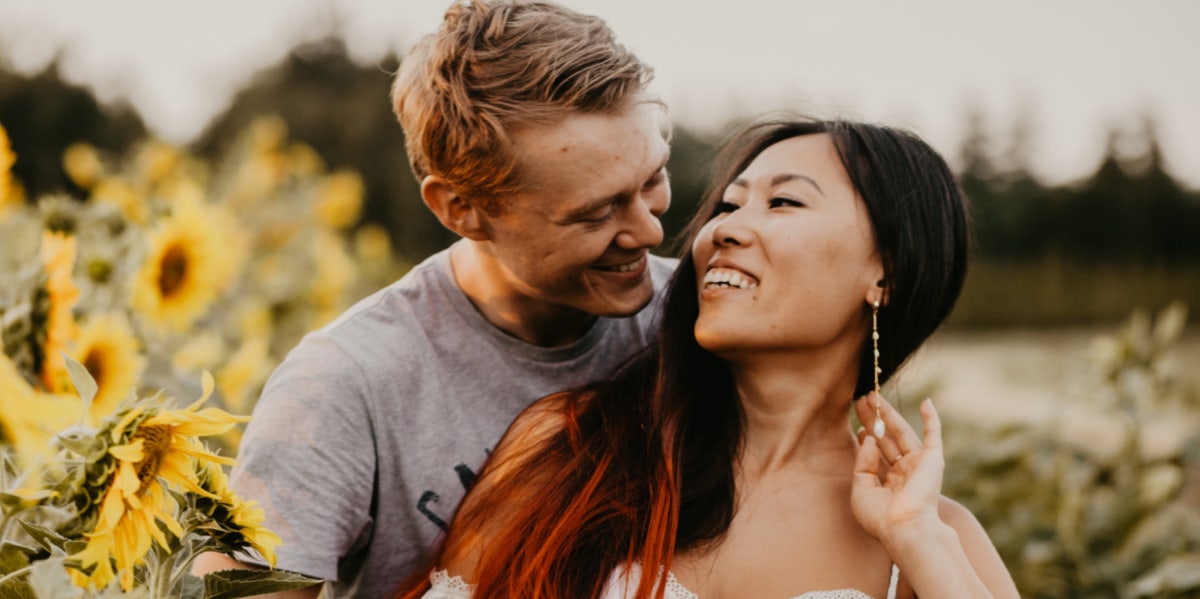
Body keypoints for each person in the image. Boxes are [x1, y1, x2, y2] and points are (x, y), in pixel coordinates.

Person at [396, 117, 1020, 598]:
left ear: (885, 273)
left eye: (783, 203)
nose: (722, 230)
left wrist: (919, 543)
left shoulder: (931, 535)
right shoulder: (573, 447)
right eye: (727, 205)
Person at [192, 1, 675, 596]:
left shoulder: (703, 321)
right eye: (596, 212)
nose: (649, 233)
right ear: (460, 209)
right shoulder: (347, 385)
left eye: (652, 179)